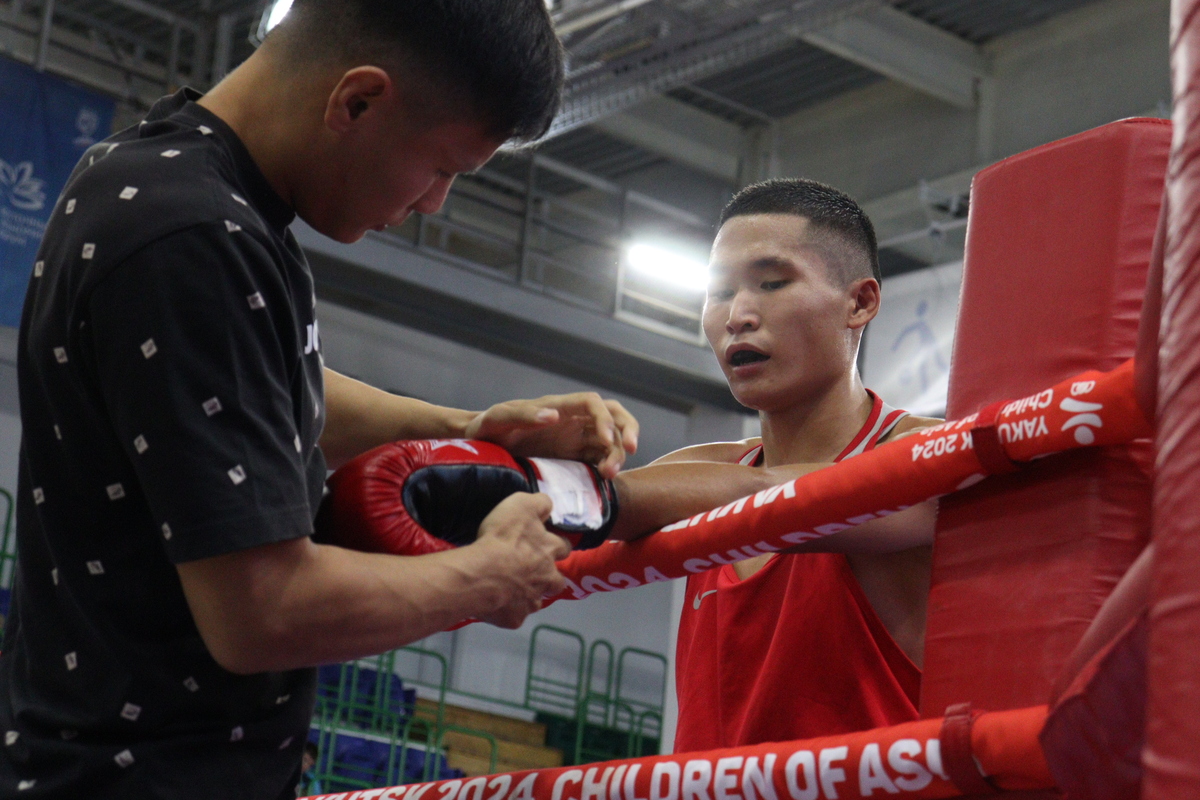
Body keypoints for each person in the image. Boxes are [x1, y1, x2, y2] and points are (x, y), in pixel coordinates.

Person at [0, 2, 638, 798]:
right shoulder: (193, 233)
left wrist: (461, 425)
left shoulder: (166, 176)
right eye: (443, 168)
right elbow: (261, 612)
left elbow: (242, 389)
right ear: (357, 100)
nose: (434, 203)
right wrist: (489, 576)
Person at [601, 179, 941, 750]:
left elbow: (785, 495)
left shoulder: (927, 456)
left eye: (773, 283)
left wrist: (596, 497)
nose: (737, 315)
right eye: (718, 293)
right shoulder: (697, 471)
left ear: (860, 303)